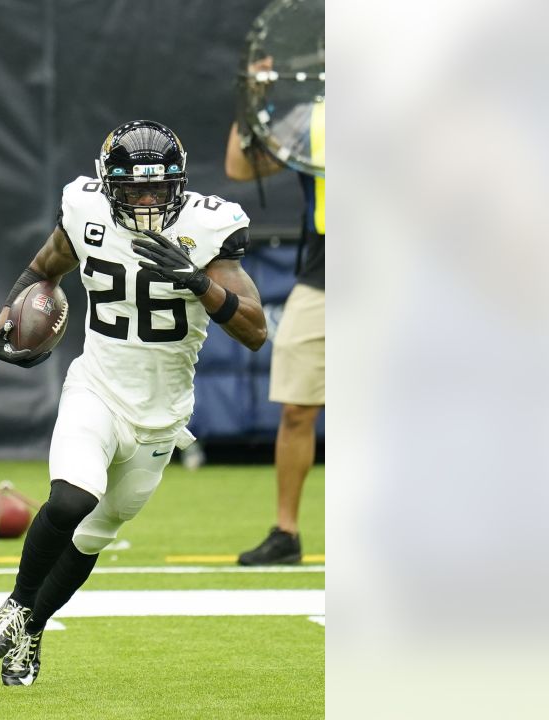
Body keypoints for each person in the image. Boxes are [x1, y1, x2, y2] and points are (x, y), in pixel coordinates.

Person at [0, 119, 269, 686]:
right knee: (69, 500)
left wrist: (199, 283)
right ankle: (15, 606)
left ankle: (31, 632)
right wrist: (10, 320)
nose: (148, 200)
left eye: (158, 188)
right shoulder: (83, 210)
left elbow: (256, 331)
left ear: (178, 184)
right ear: (108, 185)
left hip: (163, 418)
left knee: (90, 539)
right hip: (98, 388)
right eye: (134, 189)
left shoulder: (209, 229)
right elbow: (44, 267)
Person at [225, 65, 326, 566]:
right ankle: (286, 532)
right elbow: (241, 168)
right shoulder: (313, 120)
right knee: (296, 407)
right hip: (323, 275)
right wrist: (253, 97)